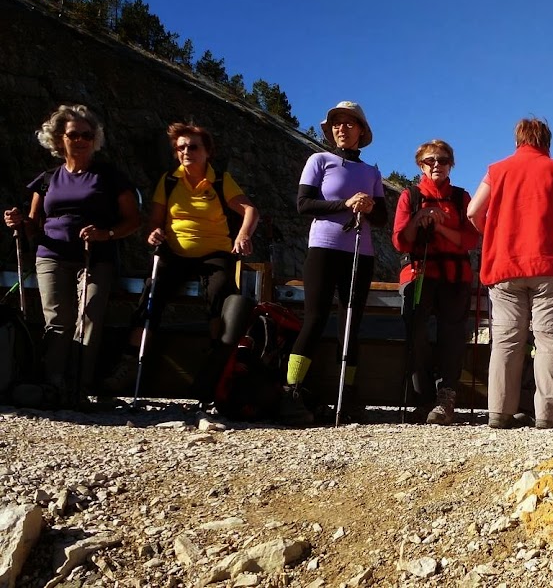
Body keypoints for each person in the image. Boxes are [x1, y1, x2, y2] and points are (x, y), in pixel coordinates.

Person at [107, 122, 259, 405]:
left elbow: (250, 210)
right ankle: (130, 362)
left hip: (215, 251)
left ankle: (217, 365)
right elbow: (154, 221)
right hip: (175, 251)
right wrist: (154, 233)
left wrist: (242, 235)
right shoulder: (169, 181)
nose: (186, 151)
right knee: (152, 292)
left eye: (193, 147)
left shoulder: (220, 181)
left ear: (207, 152)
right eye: (181, 148)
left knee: (220, 290)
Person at [4, 104, 140, 408]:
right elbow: (33, 224)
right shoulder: (47, 178)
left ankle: (79, 387)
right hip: (51, 254)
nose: (81, 140)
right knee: (58, 320)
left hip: (97, 256)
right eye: (74, 134)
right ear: (58, 139)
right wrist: (19, 222)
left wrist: (106, 234)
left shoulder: (109, 176)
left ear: (95, 139)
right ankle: (52, 384)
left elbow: (133, 220)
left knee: (89, 318)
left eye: (87, 135)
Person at [467, 118, 553, 430]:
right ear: (547, 142)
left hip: (505, 266)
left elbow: (474, 211)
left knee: (505, 340)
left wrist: (495, 236)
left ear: (517, 141)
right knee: (551, 339)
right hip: (550, 266)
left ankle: (499, 412)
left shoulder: (497, 169)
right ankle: (549, 415)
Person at [284, 101, 387, 425]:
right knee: (314, 318)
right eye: (336, 124)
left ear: (360, 131)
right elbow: (303, 204)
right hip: (324, 247)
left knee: (350, 324)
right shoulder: (319, 160)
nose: (342, 128)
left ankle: (348, 394)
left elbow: (382, 217)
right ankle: (292, 390)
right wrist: (346, 203)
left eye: (348, 123)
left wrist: (369, 206)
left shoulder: (371, 172)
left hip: (360, 251)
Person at [393, 139, 480, 425]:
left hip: (454, 276)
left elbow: (471, 239)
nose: (436, 166)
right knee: (416, 331)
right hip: (419, 273)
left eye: (442, 160)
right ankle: (422, 396)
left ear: (451, 164)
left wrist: (440, 226)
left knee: (452, 337)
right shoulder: (410, 196)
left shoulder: (460, 197)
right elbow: (399, 241)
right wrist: (418, 218)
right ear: (420, 164)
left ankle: (445, 398)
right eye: (430, 161)